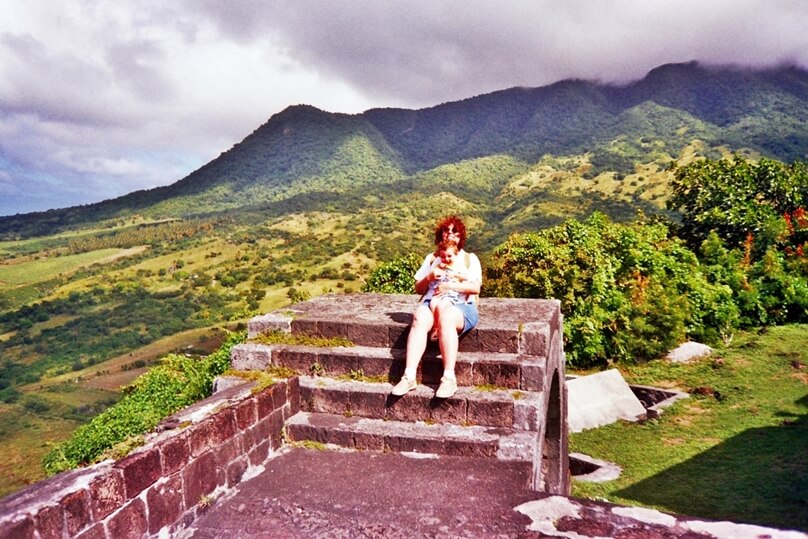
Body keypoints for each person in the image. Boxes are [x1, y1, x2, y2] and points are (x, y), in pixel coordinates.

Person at [391, 216, 482, 399]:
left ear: (461, 237)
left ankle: (448, 378)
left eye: (455, 233)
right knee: (419, 318)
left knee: (447, 318)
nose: (450, 235)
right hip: (432, 301)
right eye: (446, 231)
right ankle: (409, 376)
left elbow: (475, 288)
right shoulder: (433, 258)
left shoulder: (469, 259)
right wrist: (430, 277)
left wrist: (450, 286)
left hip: (461, 305)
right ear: (440, 235)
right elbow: (419, 288)